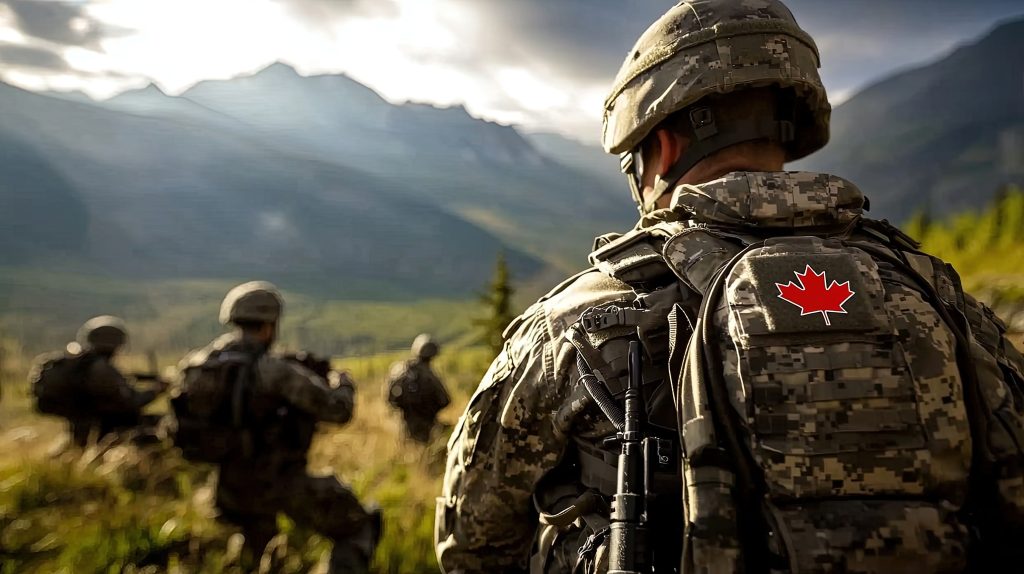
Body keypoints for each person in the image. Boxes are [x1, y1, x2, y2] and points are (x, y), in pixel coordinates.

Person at [435, 1, 1024, 573]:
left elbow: (470, 541)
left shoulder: (580, 323)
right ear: (786, 131)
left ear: (661, 147)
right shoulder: (936, 295)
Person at [174, 281, 380, 573]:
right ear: (270, 325)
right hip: (279, 482)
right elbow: (337, 411)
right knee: (359, 526)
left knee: (256, 550)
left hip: (228, 486)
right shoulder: (274, 371)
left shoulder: (199, 365)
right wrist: (343, 383)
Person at [29, 315, 166, 448]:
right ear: (117, 343)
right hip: (104, 431)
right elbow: (132, 402)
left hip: (84, 426)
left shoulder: (83, 365)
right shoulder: (101, 369)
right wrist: (156, 390)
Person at [386, 334, 450, 443]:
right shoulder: (429, 375)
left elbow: (390, 398)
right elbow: (445, 400)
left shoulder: (399, 370)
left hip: (405, 423)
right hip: (427, 425)